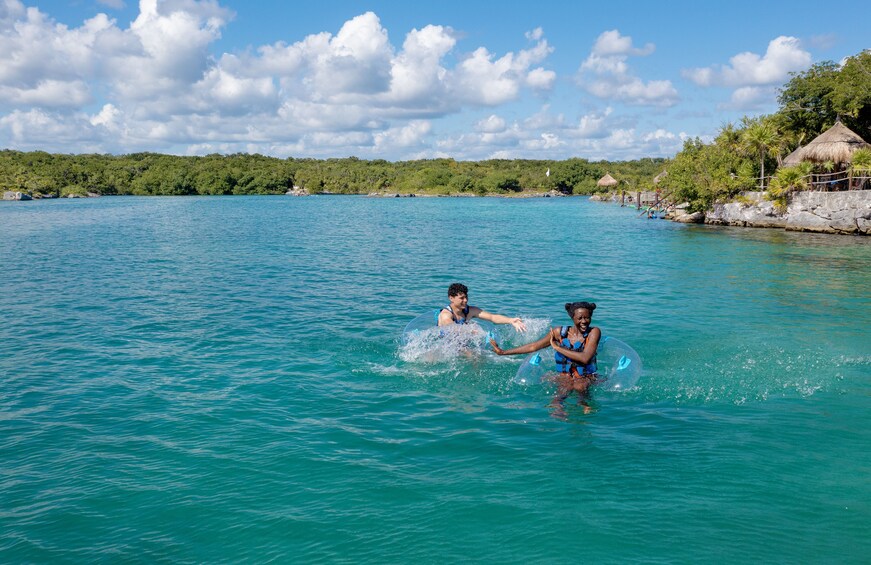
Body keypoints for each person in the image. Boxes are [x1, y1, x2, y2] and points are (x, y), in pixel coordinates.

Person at [490, 301, 600, 414]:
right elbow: (534, 346)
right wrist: (503, 352)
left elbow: (585, 358)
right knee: (560, 395)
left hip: (585, 376)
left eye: (587, 318)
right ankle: (557, 410)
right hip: (565, 375)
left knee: (580, 387)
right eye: (580, 318)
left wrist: (557, 348)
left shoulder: (594, 332)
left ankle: (583, 405)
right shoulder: (559, 333)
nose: (584, 322)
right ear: (572, 317)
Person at [438, 283, 527, 333]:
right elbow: (452, 328)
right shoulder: (446, 315)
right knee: (472, 356)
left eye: (466, 297)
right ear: (451, 298)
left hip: (461, 342)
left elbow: (492, 317)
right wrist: (471, 330)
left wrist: (510, 320)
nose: (465, 300)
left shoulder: (469, 311)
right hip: (445, 344)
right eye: (461, 298)